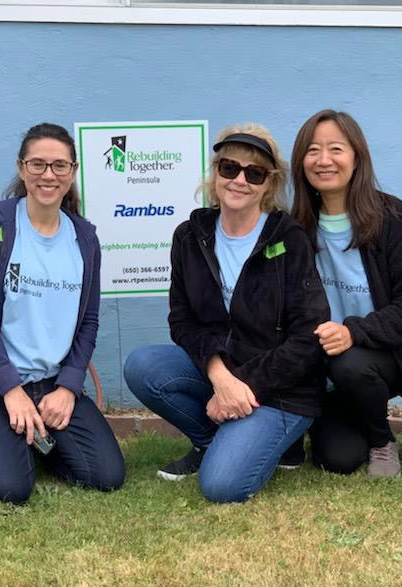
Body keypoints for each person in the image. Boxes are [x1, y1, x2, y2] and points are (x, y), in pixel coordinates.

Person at [123, 124, 329, 503]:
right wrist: (220, 378)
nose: (239, 180)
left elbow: (307, 337)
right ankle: (209, 441)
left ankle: (283, 441)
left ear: (269, 183)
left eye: (254, 173)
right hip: (224, 372)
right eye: (229, 168)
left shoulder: (289, 239)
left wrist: (240, 387)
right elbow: (182, 321)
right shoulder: (190, 234)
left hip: (283, 389)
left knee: (221, 486)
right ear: (215, 172)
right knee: (143, 365)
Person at [0, 123, 125, 503]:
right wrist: (11, 389)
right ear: (21, 167)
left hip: (51, 385)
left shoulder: (85, 239)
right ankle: (13, 438)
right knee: (10, 488)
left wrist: (68, 388)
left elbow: (88, 322)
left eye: (60, 165)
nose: (49, 175)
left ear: (73, 172)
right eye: (38, 164)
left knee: (106, 475)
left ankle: (33, 436)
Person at [289, 109, 402, 477]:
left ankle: (382, 440)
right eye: (312, 150)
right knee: (336, 460)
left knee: (348, 361)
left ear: (357, 157)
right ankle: (316, 423)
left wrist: (353, 332)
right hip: (320, 362)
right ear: (300, 161)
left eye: (336, 149)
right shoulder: (294, 227)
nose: (324, 160)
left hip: (378, 356)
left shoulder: (391, 217)